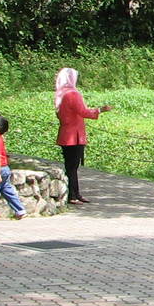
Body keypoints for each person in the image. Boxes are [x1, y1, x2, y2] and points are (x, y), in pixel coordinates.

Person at [54, 67, 112, 205]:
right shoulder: (73, 94)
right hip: (74, 135)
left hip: (66, 134)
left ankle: (75, 193)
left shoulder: (61, 94)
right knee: (73, 166)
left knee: (71, 166)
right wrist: (100, 110)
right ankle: (73, 195)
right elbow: (83, 111)